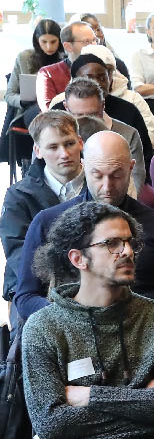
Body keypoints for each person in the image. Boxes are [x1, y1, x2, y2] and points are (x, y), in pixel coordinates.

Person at [22, 201, 154, 439]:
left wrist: (91, 397)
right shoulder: (43, 327)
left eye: (129, 242)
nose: (127, 252)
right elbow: (50, 424)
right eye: (111, 243)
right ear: (78, 258)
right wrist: (146, 404)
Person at [14, 132, 154, 326]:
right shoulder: (48, 222)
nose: (107, 186)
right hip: (70, 334)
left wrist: (125, 310)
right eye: (97, 175)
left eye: (117, 175)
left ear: (131, 168)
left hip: (140, 331)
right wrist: (71, 317)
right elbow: (25, 297)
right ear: (83, 167)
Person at [4, 112, 86, 301]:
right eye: (53, 147)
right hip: (36, 287)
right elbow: (18, 251)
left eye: (69, 143)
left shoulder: (101, 185)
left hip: (94, 283)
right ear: (38, 151)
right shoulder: (19, 195)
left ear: (80, 142)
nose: (64, 154)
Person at [55, 77, 150, 191]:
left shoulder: (128, 134)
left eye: (93, 115)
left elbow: (136, 181)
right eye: (79, 116)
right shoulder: (53, 137)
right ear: (66, 107)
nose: (87, 121)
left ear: (103, 105)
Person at [5, 18, 62, 113]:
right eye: (44, 42)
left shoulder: (66, 59)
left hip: (60, 109)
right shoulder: (24, 58)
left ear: (60, 41)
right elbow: (9, 95)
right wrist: (22, 101)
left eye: (53, 42)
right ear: (37, 40)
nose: (49, 47)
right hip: (32, 110)